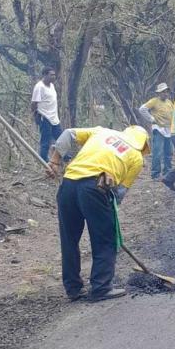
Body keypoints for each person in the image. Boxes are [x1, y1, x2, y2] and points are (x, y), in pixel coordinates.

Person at [46, 125, 150, 302]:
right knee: (105, 238)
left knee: (69, 239)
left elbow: (68, 134)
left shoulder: (102, 132)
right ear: (143, 143)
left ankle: (73, 289)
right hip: (95, 188)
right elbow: (119, 193)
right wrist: (107, 212)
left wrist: (55, 161)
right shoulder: (136, 157)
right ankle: (101, 287)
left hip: (68, 184)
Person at [138, 83, 174, 179]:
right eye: (163, 92)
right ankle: (155, 174)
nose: (165, 93)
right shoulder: (154, 101)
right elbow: (142, 109)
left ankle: (168, 173)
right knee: (157, 152)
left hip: (168, 130)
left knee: (168, 152)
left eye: (166, 91)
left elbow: (173, 114)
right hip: (158, 129)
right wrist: (151, 119)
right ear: (159, 93)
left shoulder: (169, 103)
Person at [31, 67, 62, 160]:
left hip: (54, 118)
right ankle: (44, 160)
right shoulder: (39, 87)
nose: (53, 77)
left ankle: (67, 158)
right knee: (46, 141)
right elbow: (34, 103)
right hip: (44, 117)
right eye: (51, 75)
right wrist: (35, 115)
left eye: (54, 75)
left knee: (61, 138)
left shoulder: (52, 86)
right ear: (45, 75)